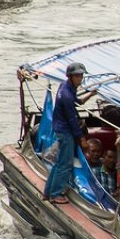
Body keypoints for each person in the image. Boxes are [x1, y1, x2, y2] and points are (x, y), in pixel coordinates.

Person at [44, 62, 92, 204]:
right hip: (65, 131)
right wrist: (81, 139)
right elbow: (72, 120)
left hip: (60, 127)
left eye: (81, 76)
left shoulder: (66, 87)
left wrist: (91, 94)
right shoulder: (66, 95)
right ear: (70, 76)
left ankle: (48, 192)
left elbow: (78, 101)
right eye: (77, 76)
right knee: (65, 164)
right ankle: (55, 194)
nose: (80, 79)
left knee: (59, 163)